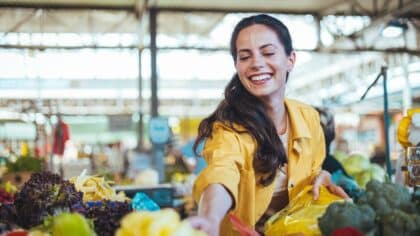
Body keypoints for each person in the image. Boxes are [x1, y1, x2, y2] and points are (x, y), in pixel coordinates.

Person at [188, 14, 348, 236]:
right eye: (245, 57)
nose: (256, 63)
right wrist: (210, 218)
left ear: (290, 59)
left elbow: (313, 171)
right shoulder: (228, 129)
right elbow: (221, 175)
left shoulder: (309, 118)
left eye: (268, 53)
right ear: (237, 65)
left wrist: (322, 178)